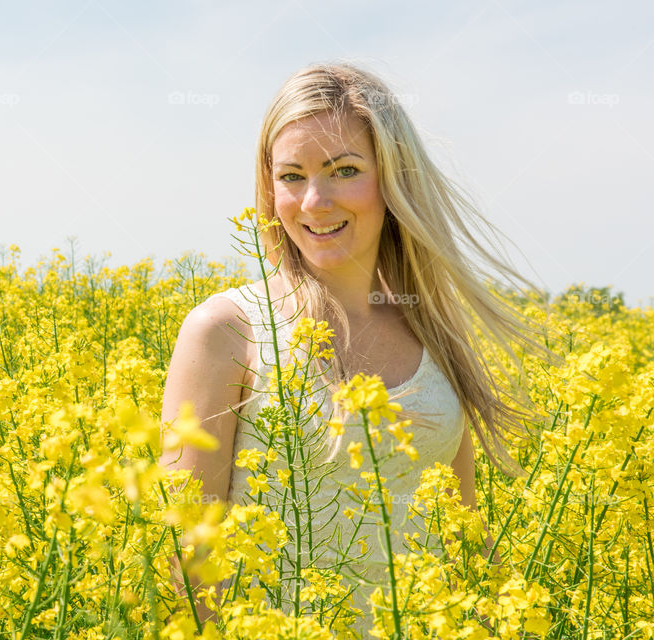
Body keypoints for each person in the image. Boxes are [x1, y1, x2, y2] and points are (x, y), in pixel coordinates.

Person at [160, 62, 559, 637]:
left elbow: (461, 535)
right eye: (291, 176)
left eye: (344, 170)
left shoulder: (435, 330)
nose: (314, 200)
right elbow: (187, 557)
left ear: (393, 179)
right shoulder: (226, 330)